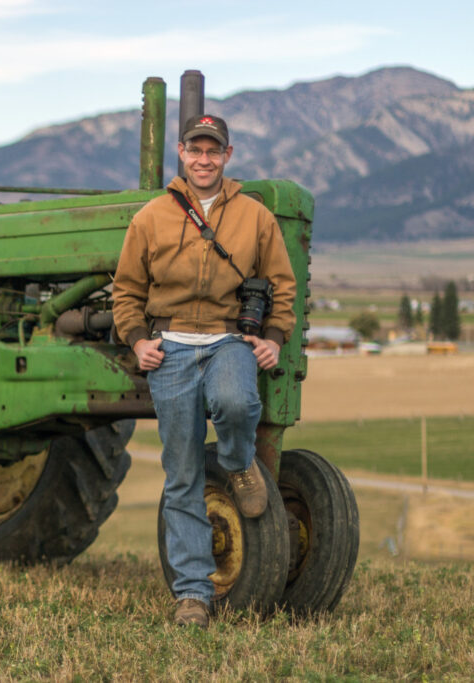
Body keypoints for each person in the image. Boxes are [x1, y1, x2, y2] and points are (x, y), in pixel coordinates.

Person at [112, 114, 296, 629]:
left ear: (227, 155)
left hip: (228, 340)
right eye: (195, 149)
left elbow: (282, 283)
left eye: (213, 150)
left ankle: (238, 461)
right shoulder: (151, 216)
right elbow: (126, 290)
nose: (204, 159)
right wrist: (137, 340)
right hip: (169, 347)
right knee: (183, 474)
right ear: (181, 152)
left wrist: (274, 337)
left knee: (237, 403)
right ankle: (193, 594)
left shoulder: (255, 216)